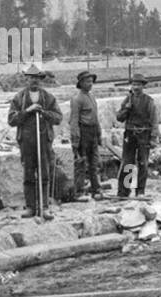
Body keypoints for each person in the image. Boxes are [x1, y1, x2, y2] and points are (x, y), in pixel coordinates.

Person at [6, 61, 63, 219]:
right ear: (26, 79)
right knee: (29, 174)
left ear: (41, 79)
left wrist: (44, 113)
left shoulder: (48, 98)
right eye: (31, 78)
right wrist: (27, 111)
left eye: (37, 78)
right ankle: (30, 206)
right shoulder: (19, 98)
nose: (34, 81)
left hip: (44, 141)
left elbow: (58, 117)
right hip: (27, 141)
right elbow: (11, 120)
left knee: (44, 173)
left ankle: (44, 206)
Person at [116, 73, 159, 197]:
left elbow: (154, 120)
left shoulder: (149, 101)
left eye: (138, 84)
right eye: (134, 84)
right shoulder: (127, 99)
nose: (136, 87)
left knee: (143, 163)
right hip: (129, 134)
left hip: (144, 134)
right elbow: (119, 118)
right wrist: (126, 109)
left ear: (143, 86)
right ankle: (124, 191)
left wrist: (153, 137)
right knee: (127, 163)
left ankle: (140, 191)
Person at [68, 70, 104, 200]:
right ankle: (79, 192)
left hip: (93, 133)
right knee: (81, 163)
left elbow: (95, 118)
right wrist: (75, 140)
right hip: (83, 133)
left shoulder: (92, 97)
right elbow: (74, 121)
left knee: (94, 163)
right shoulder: (77, 99)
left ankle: (96, 189)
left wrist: (99, 135)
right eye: (87, 81)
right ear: (81, 83)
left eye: (91, 81)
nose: (90, 84)